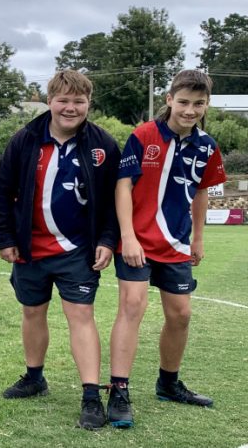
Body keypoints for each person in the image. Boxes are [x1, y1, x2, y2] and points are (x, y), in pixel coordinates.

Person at [0, 69, 121, 430]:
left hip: (78, 252)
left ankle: (92, 396)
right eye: (63, 100)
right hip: (30, 249)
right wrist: (6, 238)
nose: (70, 107)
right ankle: (34, 377)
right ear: (49, 101)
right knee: (32, 313)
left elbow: (114, 200)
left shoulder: (103, 145)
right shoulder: (24, 139)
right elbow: (2, 192)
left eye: (78, 101)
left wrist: (108, 240)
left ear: (88, 104)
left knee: (80, 316)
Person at [107, 69, 225, 428]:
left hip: (176, 244)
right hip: (137, 242)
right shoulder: (144, 135)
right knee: (132, 307)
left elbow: (202, 192)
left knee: (181, 315)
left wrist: (199, 238)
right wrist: (127, 236)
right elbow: (123, 185)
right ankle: (119, 391)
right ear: (170, 98)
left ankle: (169, 384)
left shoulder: (207, 146)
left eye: (198, 104)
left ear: (206, 106)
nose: (190, 110)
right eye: (184, 102)